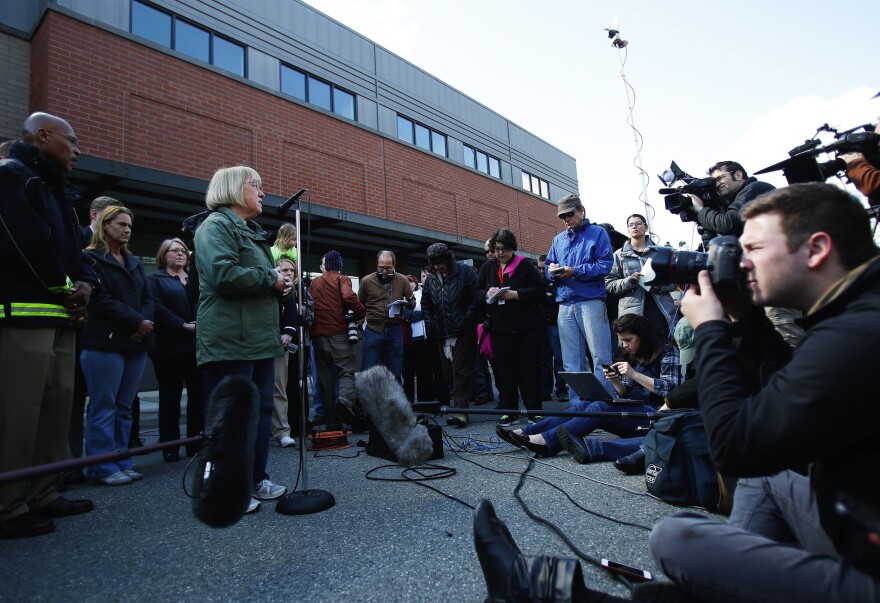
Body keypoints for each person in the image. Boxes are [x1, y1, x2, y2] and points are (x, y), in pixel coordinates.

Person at [476, 182, 880, 602]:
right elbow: (775, 391)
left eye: (755, 249)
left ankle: (542, 590)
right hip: (855, 515)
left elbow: (734, 447)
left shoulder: (858, 335)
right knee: (755, 489)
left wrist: (711, 328)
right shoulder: (850, 314)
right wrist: (743, 319)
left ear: (815, 249)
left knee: (675, 539)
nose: (744, 263)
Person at [0, 112, 97, 538]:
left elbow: (78, 248)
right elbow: (22, 242)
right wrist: (65, 286)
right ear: (42, 136)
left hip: (63, 318)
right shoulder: (12, 177)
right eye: (71, 141)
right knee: (19, 414)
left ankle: (43, 491)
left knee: (55, 412)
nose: (77, 150)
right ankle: (8, 504)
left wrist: (87, 284)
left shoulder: (58, 191)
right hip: (23, 317)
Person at [194, 166, 289, 513]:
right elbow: (222, 273)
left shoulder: (252, 232)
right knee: (232, 418)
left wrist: (279, 284)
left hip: (259, 338)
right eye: (256, 186)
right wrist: (271, 279)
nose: (263, 192)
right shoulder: (215, 226)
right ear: (234, 189)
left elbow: (262, 279)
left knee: (260, 412)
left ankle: (255, 479)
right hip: (230, 338)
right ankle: (223, 490)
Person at [499, 314, 679, 459]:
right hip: (636, 409)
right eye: (622, 340)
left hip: (655, 414)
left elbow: (671, 389)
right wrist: (615, 381)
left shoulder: (666, 350)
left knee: (600, 408)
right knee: (585, 405)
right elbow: (625, 393)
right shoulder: (634, 352)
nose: (624, 345)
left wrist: (634, 374)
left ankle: (547, 442)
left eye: (628, 340)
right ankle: (527, 432)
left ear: (643, 335)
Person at [80, 206, 153, 485]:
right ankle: (101, 466)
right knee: (104, 405)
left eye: (130, 226)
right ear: (105, 225)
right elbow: (101, 300)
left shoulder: (133, 261)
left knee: (124, 406)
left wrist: (142, 323)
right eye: (121, 224)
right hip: (104, 342)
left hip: (134, 342)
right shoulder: (90, 259)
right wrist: (137, 322)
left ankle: (122, 460)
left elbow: (147, 297)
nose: (127, 230)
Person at [545, 194, 615, 397]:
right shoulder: (557, 240)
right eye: (562, 216)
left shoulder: (598, 233)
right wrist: (552, 270)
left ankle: (605, 403)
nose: (566, 219)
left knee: (600, 356)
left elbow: (605, 265)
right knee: (571, 360)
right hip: (566, 303)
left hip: (590, 300)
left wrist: (575, 271)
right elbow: (549, 263)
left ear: (581, 210)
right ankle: (579, 406)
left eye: (569, 214)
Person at [476, 228, 545, 424]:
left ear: (512, 249)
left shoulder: (524, 265)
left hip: (527, 327)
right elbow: (475, 292)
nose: (500, 253)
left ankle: (534, 410)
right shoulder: (487, 267)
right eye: (496, 249)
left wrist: (517, 294)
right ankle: (509, 410)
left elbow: (540, 289)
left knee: (529, 369)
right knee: (505, 370)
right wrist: (487, 294)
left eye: (504, 249)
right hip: (500, 328)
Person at [147, 237, 203, 462]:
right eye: (174, 251)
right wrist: (182, 325)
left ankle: (195, 443)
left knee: (198, 397)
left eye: (183, 251)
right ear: (164, 255)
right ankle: (170, 446)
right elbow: (156, 308)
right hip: (169, 346)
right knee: (170, 397)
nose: (180, 254)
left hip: (196, 346)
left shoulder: (194, 280)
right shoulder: (154, 279)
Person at [420, 242, 478, 427]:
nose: (438, 266)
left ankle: (461, 411)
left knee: (461, 370)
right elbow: (426, 304)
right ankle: (461, 405)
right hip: (440, 332)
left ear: (449, 259)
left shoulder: (465, 272)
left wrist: (466, 319)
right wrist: (429, 322)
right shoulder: (430, 279)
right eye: (434, 263)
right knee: (447, 374)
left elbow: (476, 298)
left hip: (463, 331)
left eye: (441, 262)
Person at [309, 250, 365, 430]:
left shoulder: (314, 282)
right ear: (340, 266)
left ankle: (332, 423)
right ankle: (345, 399)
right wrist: (361, 311)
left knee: (325, 380)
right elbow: (348, 296)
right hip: (338, 333)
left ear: (326, 266)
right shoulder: (342, 279)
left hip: (318, 336)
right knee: (346, 372)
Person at [604, 214, 678, 338]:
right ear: (627, 229)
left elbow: (674, 280)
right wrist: (629, 281)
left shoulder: (661, 252)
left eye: (638, 223)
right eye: (631, 225)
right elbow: (609, 283)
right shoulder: (618, 255)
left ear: (646, 227)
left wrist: (659, 286)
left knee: (662, 344)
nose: (634, 227)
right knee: (637, 349)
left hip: (660, 308)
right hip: (631, 311)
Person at [271, 257, 313, 447]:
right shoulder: (272, 285)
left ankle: (292, 426)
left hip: (296, 343)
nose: (288, 274)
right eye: (284, 270)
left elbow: (311, 314)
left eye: (291, 271)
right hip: (269, 339)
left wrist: (300, 309)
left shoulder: (302, 290)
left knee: (291, 387)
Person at [685, 160, 775, 248]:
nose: (716, 185)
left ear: (738, 175)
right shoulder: (734, 200)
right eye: (714, 182)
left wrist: (700, 209)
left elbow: (728, 224)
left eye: (720, 178)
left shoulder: (755, 188)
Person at [358, 250, 414, 380]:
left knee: (395, 372)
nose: (384, 271)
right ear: (377, 265)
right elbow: (359, 305)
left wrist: (408, 303)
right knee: (368, 370)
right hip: (373, 329)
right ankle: (365, 400)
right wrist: (361, 325)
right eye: (381, 267)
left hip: (395, 329)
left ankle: (394, 400)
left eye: (388, 268)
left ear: (394, 265)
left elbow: (412, 302)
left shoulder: (402, 280)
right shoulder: (366, 281)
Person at [538, 254, 566, 403]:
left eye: (544, 268)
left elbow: (554, 298)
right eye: (539, 268)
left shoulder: (556, 281)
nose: (541, 271)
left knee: (559, 360)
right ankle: (545, 391)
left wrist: (546, 296)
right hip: (542, 326)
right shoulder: (538, 282)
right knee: (543, 360)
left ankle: (561, 390)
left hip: (555, 324)